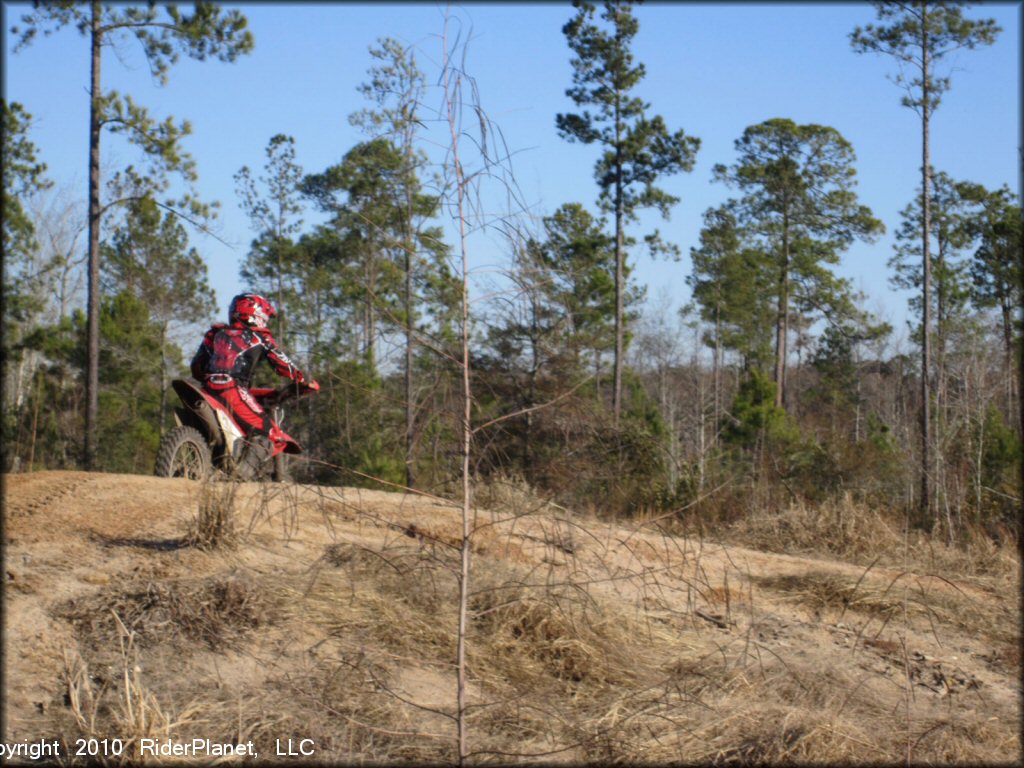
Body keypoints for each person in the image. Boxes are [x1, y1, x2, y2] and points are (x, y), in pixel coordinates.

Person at [190, 293, 318, 468]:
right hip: (233, 390)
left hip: (206, 389)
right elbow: (284, 365)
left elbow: (197, 366)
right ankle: (241, 476)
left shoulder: (215, 333)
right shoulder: (260, 337)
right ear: (258, 314)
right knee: (270, 434)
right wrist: (302, 379)